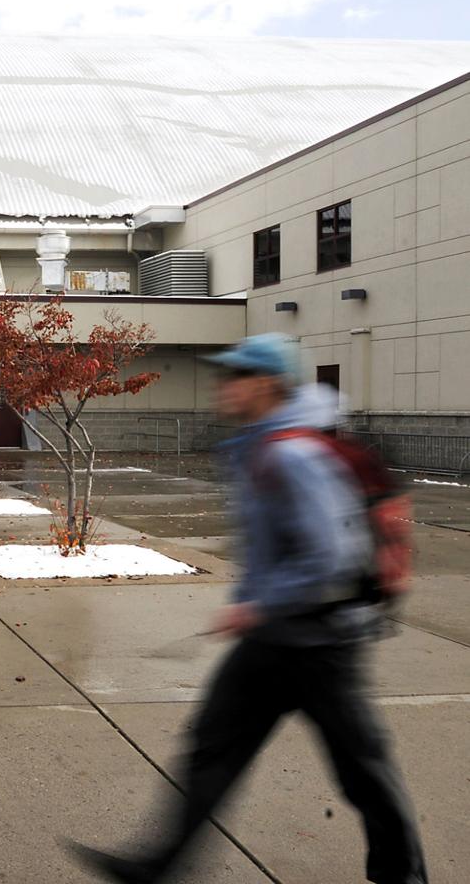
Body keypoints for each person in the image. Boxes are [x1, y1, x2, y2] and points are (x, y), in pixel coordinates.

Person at [71, 333, 426, 884]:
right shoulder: (259, 446)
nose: (224, 386)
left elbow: (330, 556)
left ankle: (404, 876)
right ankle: (157, 866)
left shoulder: (292, 455)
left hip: (321, 642)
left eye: (236, 377)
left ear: (266, 384)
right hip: (272, 641)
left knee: (362, 769)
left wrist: (259, 606)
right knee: (213, 750)